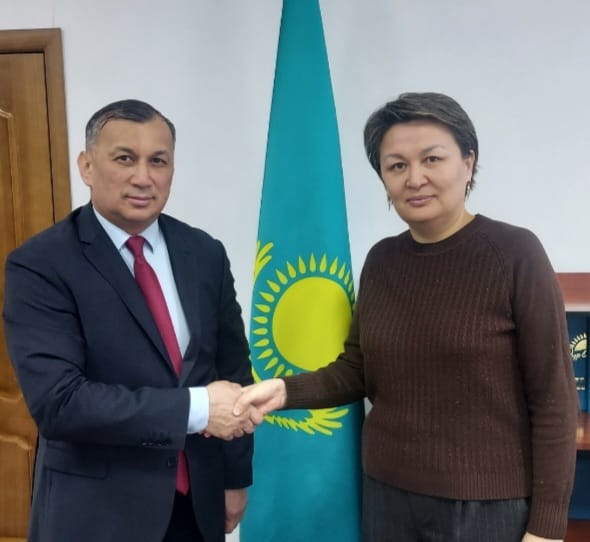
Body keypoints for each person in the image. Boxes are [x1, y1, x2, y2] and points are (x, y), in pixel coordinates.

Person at [235, 92, 578, 542]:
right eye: (396, 165)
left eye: (432, 159)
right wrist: (283, 390)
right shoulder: (382, 260)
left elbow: (554, 400)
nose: (415, 178)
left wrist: (547, 527)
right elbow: (357, 370)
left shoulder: (515, 253)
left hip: (486, 509)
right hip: (387, 497)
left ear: (468, 162)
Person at [2, 99, 261, 542]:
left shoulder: (204, 253)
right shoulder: (41, 264)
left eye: (158, 161)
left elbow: (233, 372)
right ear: (86, 166)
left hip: (196, 505)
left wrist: (235, 478)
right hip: (97, 514)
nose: (143, 177)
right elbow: (61, 404)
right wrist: (198, 409)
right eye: (125, 158)